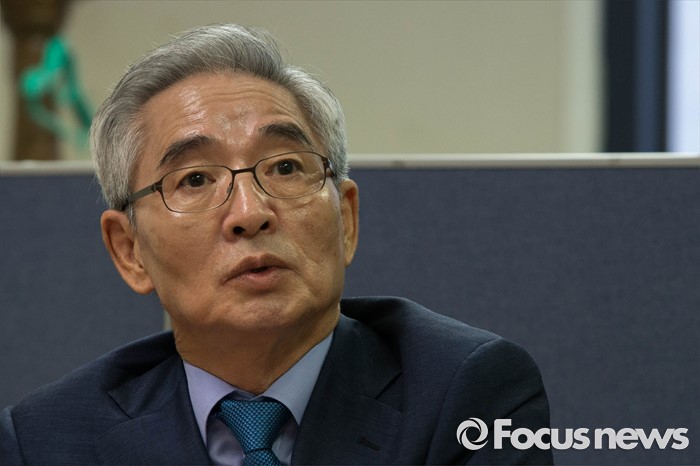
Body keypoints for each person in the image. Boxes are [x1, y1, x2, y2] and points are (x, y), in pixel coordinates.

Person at [0, 24, 552, 465]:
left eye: (286, 167)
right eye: (195, 179)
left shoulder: (464, 394)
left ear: (346, 219)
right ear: (129, 251)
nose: (250, 213)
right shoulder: (46, 441)